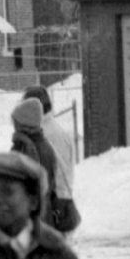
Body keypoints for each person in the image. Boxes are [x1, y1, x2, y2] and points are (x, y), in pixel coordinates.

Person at [23, 86, 81, 233]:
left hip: (54, 204)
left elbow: (54, 172)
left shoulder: (44, 135)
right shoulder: (59, 130)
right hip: (63, 201)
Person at [9, 100, 60, 224]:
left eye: (15, 122)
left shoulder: (23, 148)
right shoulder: (46, 146)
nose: (13, 125)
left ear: (23, 124)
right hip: (46, 215)